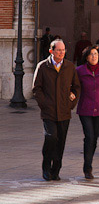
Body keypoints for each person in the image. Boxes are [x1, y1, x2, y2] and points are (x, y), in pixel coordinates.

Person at [32, 39, 80, 181]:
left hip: (64, 111)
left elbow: (76, 87)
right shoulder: (43, 67)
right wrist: (44, 103)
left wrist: (71, 103)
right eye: (59, 50)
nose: (61, 53)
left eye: (63, 50)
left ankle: (56, 170)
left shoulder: (70, 67)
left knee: (61, 142)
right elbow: (36, 88)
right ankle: (46, 167)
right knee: (51, 137)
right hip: (49, 111)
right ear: (51, 51)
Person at [76, 45, 99, 179]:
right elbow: (75, 88)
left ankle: (89, 164)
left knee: (94, 138)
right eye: (91, 54)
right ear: (86, 57)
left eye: (96, 54)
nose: (94, 57)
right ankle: (88, 167)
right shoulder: (80, 71)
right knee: (89, 137)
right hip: (85, 109)